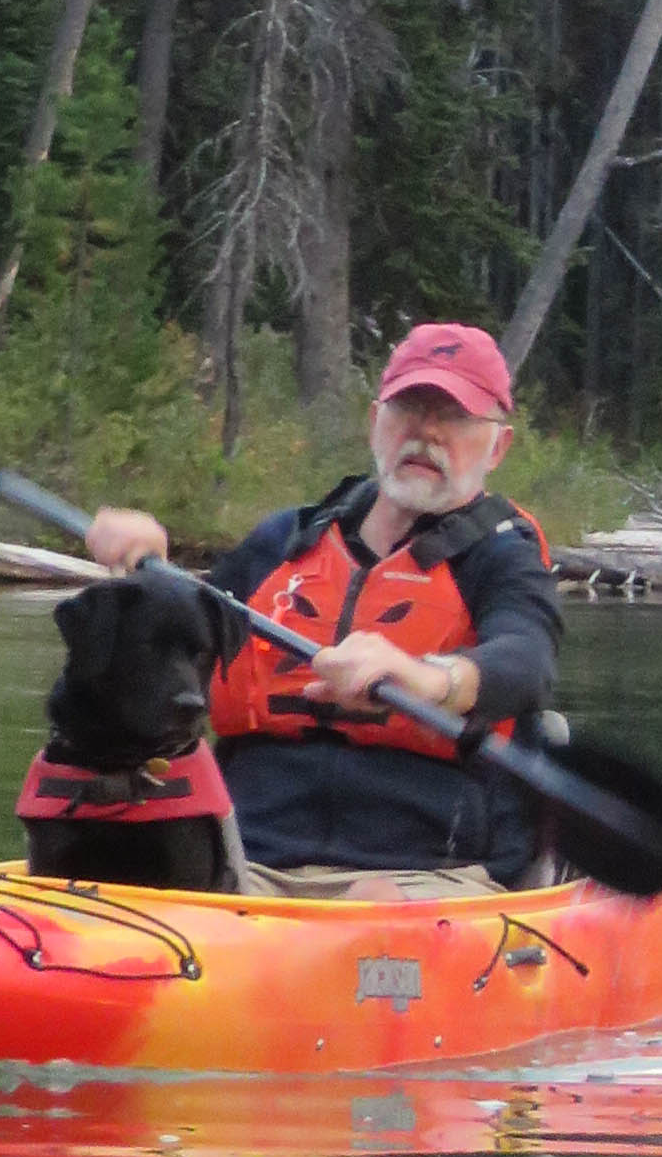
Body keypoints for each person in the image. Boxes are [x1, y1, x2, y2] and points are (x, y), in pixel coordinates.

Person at [83, 324, 565, 884]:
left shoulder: (502, 556)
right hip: (246, 865)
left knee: (379, 912)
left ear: (498, 447)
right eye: (409, 408)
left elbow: (526, 660)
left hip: (428, 873)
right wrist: (146, 572)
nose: (427, 432)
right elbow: (175, 643)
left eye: (455, 417)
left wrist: (426, 679)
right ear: (375, 421)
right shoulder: (284, 542)